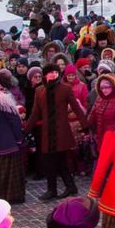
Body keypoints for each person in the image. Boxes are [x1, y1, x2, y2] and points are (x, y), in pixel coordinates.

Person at [25, 64, 88, 200]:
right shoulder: (40, 91)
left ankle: (61, 188)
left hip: (61, 131)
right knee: (50, 161)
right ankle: (59, 188)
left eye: (55, 72)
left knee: (60, 161)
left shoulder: (65, 89)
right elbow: (35, 113)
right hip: (47, 132)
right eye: (50, 73)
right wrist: (26, 130)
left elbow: (76, 108)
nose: (53, 75)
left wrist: (85, 125)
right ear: (45, 75)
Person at [0, 69, 26, 204]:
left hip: (7, 140)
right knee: (0, 170)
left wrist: (18, 138)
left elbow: (14, 120)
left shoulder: (3, 98)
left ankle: (9, 195)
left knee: (6, 170)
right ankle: (0, 195)